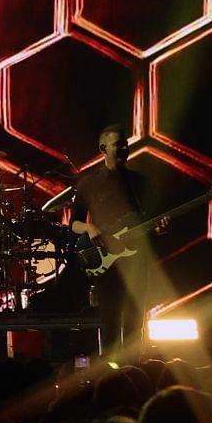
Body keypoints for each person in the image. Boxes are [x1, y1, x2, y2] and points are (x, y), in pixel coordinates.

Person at [68, 125, 151, 357]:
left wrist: (161, 228)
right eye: (118, 144)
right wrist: (90, 227)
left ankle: (136, 371)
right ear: (103, 148)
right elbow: (73, 223)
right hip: (107, 263)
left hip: (135, 260)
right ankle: (112, 376)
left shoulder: (140, 183)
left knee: (136, 323)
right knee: (111, 324)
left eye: (126, 143)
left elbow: (151, 220)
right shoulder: (89, 184)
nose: (124, 148)